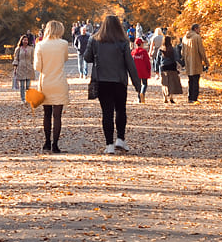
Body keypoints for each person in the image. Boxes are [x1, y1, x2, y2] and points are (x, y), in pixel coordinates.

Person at [84, 13, 142, 154]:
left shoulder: (94, 40)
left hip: (102, 81)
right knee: (121, 110)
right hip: (119, 81)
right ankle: (120, 139)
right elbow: (130, 64)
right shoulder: (123, 42)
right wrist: (137, 84)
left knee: (107, 113)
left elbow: (87, 58)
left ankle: (109, 144)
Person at [33, 21, 71, 153]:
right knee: (57, 116)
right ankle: (55, 144)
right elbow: (65, 59)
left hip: (45, 82)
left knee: (47, 114)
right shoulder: (63, 44)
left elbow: (37, 67)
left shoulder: (40, 45)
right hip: (59, 82)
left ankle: (47, 142)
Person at [181, 23, 208, 103]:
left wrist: (184, 60)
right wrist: (206, 62)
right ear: (195, 29)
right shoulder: (197, 37)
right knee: (196, 80)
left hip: (188, 62)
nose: (199, 30)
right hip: (196, 62)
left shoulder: (185, 38)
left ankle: (190, 97)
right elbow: (201, 51)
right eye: (199, 29)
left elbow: (182, 51)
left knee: (190, 80)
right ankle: (194, 98)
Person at [158, 36, 182, 103]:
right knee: (171, 83)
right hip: (172, 67)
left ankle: (165, 97)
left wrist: (157, 70)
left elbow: (157, 60)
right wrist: (180, 64)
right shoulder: (173, 49)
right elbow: (176, 58)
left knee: (164, 83)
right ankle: (171, 97)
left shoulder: (160, 50)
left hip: (164, 67)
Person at [12, 34, 36, 102]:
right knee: (22, 86)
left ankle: (28, 98)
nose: (25, 41)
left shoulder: (31, 49)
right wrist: (15, 68)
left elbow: (33, 58)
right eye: (24, 40)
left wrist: (33, 65)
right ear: (21, 40)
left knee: (28, 86)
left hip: (29, 68)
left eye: (26, 40)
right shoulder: (18, 49)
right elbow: (16, 58)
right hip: (21, 68)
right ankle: (23, 99)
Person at [131, 37, 152, 103]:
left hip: (135, 71)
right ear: (141, 44)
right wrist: (149, 69)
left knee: (138, 85)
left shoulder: (133, 52)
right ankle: (142, 93)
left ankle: (139, 98)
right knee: (144, 84)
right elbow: (147, 62)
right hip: (143, 70)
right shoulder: (144, 52)